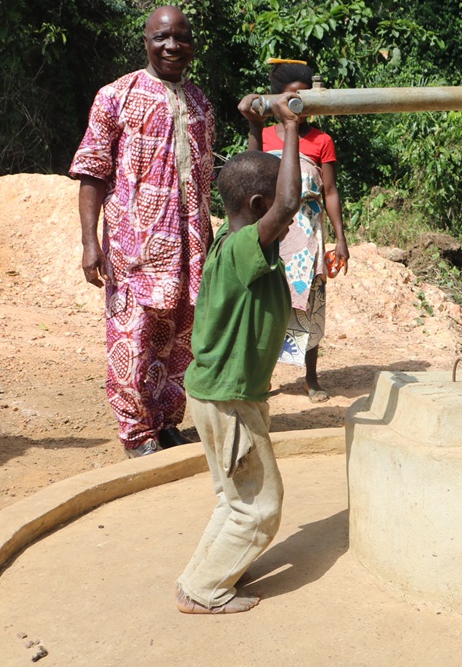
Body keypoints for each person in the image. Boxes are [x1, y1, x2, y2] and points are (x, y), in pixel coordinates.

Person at [176, 91, 303, 614]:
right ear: (259, 211)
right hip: (228, 400)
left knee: (236, 499)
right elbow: (287, 201)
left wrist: (256, 129)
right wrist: (291, 126)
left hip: (220, 393)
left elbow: (254, 185)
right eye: (273, 209)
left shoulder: (239, 241)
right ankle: (204, 591)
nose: (288, 218)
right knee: (259, 507)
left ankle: (206, 575)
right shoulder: (245, 251)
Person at [70, 6, 214, 458]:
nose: (172, 46)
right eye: (162, 37)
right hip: (136, 249)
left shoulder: (200, 102)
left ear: (192, 43)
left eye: (181, 37)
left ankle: (167, 423)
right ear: (147, 41)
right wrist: (90, 241)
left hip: (191, 249)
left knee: (179, 340)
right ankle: (137, 434)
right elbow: (93, 170)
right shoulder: (116, 95)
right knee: (133, 338)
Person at [241, 60, 349, 402]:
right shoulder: (265, 135)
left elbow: (330, 192)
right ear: (276, 99)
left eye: (304, 97)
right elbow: (250, 171)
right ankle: (262, 376)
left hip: (307, 235)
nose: (297, 105)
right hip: (273, 233)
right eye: (290, 97)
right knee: (267, 303)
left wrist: (341, 239)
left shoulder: (322, 140)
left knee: (310, 304)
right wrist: (253, 127)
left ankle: (311, 378)